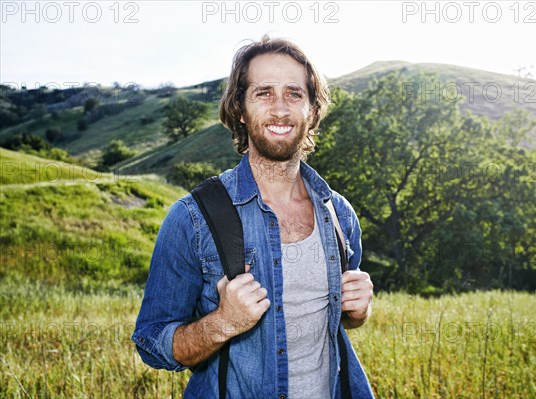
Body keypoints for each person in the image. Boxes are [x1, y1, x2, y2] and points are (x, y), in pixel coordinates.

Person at [132, 35, 375, 399]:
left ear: (312, 111)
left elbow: (327, 321)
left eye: (294, 94)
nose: (280, 109)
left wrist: (357, 313)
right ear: (241, 110)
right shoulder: (192, 218)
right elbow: (151, 343)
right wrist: (223, 323)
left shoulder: (338, 213)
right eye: (264, 93)